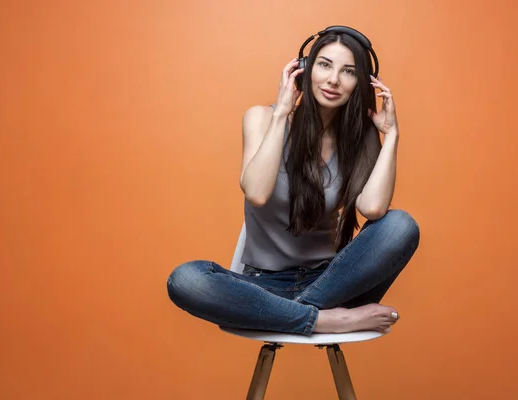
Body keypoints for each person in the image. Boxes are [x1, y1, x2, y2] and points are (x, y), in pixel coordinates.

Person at [166, 26, 420, 336]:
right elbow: (257, 193)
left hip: (330, 282)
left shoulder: (357, 140)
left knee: (401, 225)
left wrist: (391, 134)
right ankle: (324, 320)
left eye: (348, 71)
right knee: (186, 279)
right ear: (304, 68)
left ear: (361, 83)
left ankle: (290, 314)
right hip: (263, 286)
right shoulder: (261, 119)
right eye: (324, 64)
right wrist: (283, 112)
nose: (333, 80)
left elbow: (374, 209)